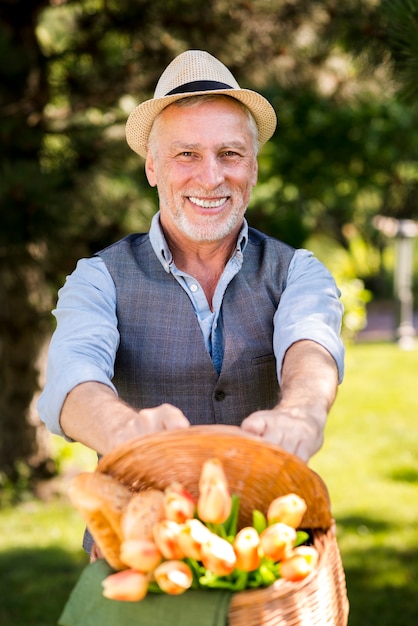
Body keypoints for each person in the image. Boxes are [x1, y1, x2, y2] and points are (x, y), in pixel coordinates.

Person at [38, 49, 344, 475]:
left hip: (270, 533)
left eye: (230, 154)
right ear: (152, 167)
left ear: (253, 168)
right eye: (187, 154)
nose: (211, 177)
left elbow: (311, 346)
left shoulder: (298, 271)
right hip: (137, 536)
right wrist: (123, 429)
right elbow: (71, 376)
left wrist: (303, 412)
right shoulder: (98, 278)